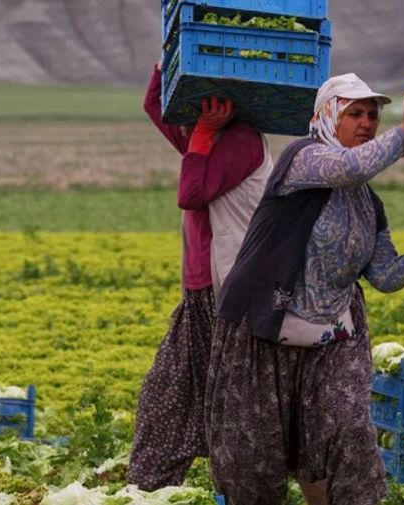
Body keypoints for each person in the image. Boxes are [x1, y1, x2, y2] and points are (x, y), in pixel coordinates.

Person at [204, 72, 404, 505]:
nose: (366, 124)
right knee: (255, 457)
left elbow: (385, 275)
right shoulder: (302, 159)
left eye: (373, 116)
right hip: (264, 330)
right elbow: (350, 166)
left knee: (349, 428)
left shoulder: (367, 203)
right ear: (326, 117)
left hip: (332, 336)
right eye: (355, 113)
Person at [127, 61, 273, 490]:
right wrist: (166, 57)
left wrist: (205, 134)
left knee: (231, 401)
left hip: (228, 293)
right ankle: (147, 490)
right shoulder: (207, 140)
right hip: (200, 294)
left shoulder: (242, 140)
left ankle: (244, 489)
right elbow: (154, 105)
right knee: (167, 393)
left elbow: (190, 195)